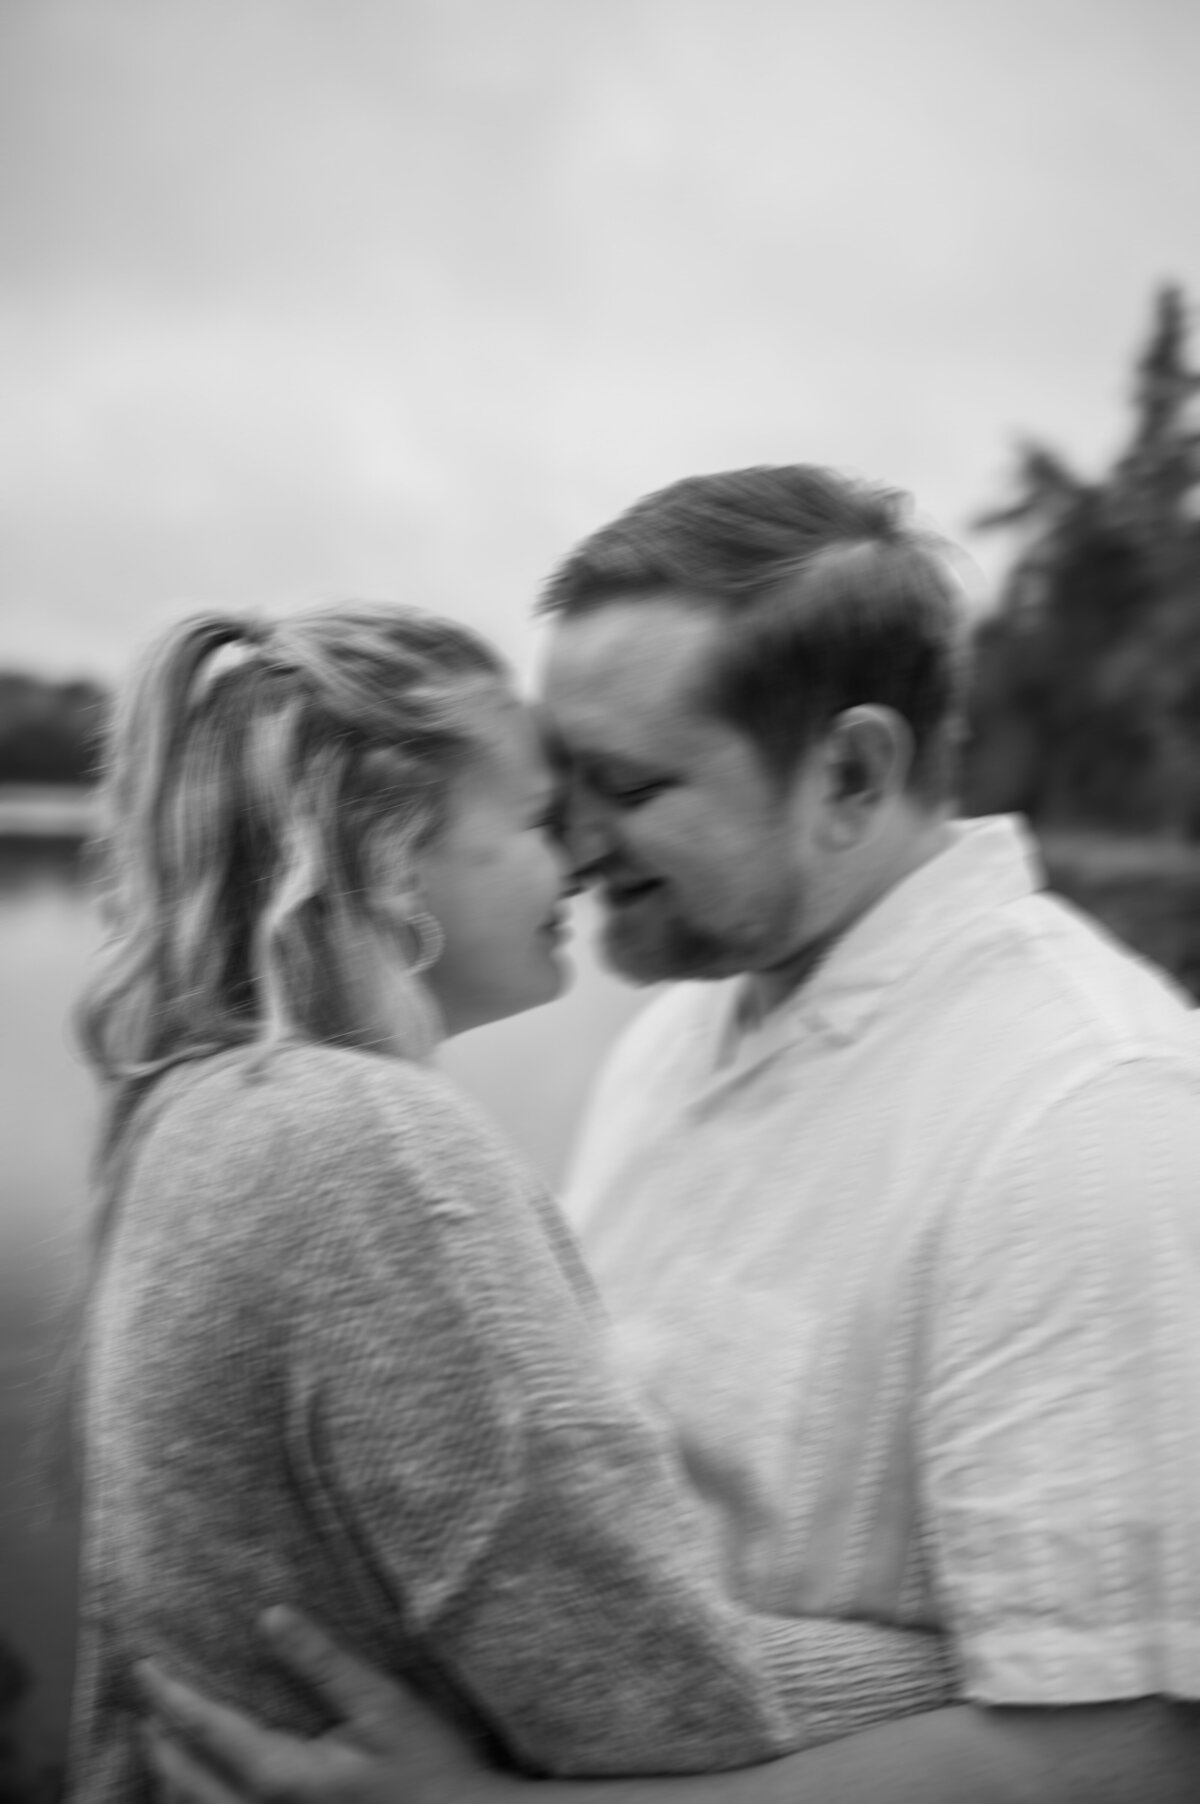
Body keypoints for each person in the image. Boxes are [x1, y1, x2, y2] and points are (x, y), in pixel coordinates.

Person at [139, 467, 1200, 1803]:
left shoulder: (1086, 1118)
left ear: (853, 775)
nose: (570, 846)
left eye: (624, 786)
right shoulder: (679, 1029)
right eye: (552, 784)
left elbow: (1124, 1757)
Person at [65, 601, 959, 1801]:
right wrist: (1001, 1667)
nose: (585, 859)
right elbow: (659, 1694)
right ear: (384, 850)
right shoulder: (361, 1141)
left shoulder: (195, 1108)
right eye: (542, 818)